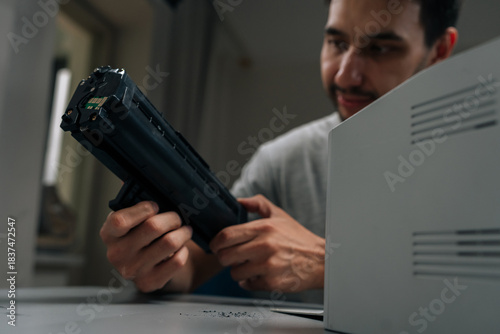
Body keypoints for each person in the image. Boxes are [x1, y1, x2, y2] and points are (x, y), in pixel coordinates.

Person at [99, 0, 461, 303]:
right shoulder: (282, 160)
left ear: (439, 51)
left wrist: (327, 265)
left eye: (380, 48)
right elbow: (199, 265)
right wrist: (156, 259)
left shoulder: (480, 160)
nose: (345, 76)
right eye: (336, 43)